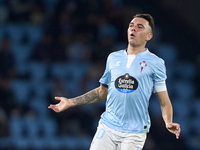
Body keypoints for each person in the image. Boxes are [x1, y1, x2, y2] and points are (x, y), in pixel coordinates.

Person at [48, 14, 181, 150]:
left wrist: (168, 121)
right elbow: (102, 92)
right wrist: (70, 102)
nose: (133, 29)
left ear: (149, 36)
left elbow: (164, 101)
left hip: (134, 132)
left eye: (139, 27)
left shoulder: (156, 63)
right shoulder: (113, 57)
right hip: (108, 126)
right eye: (131, 26)